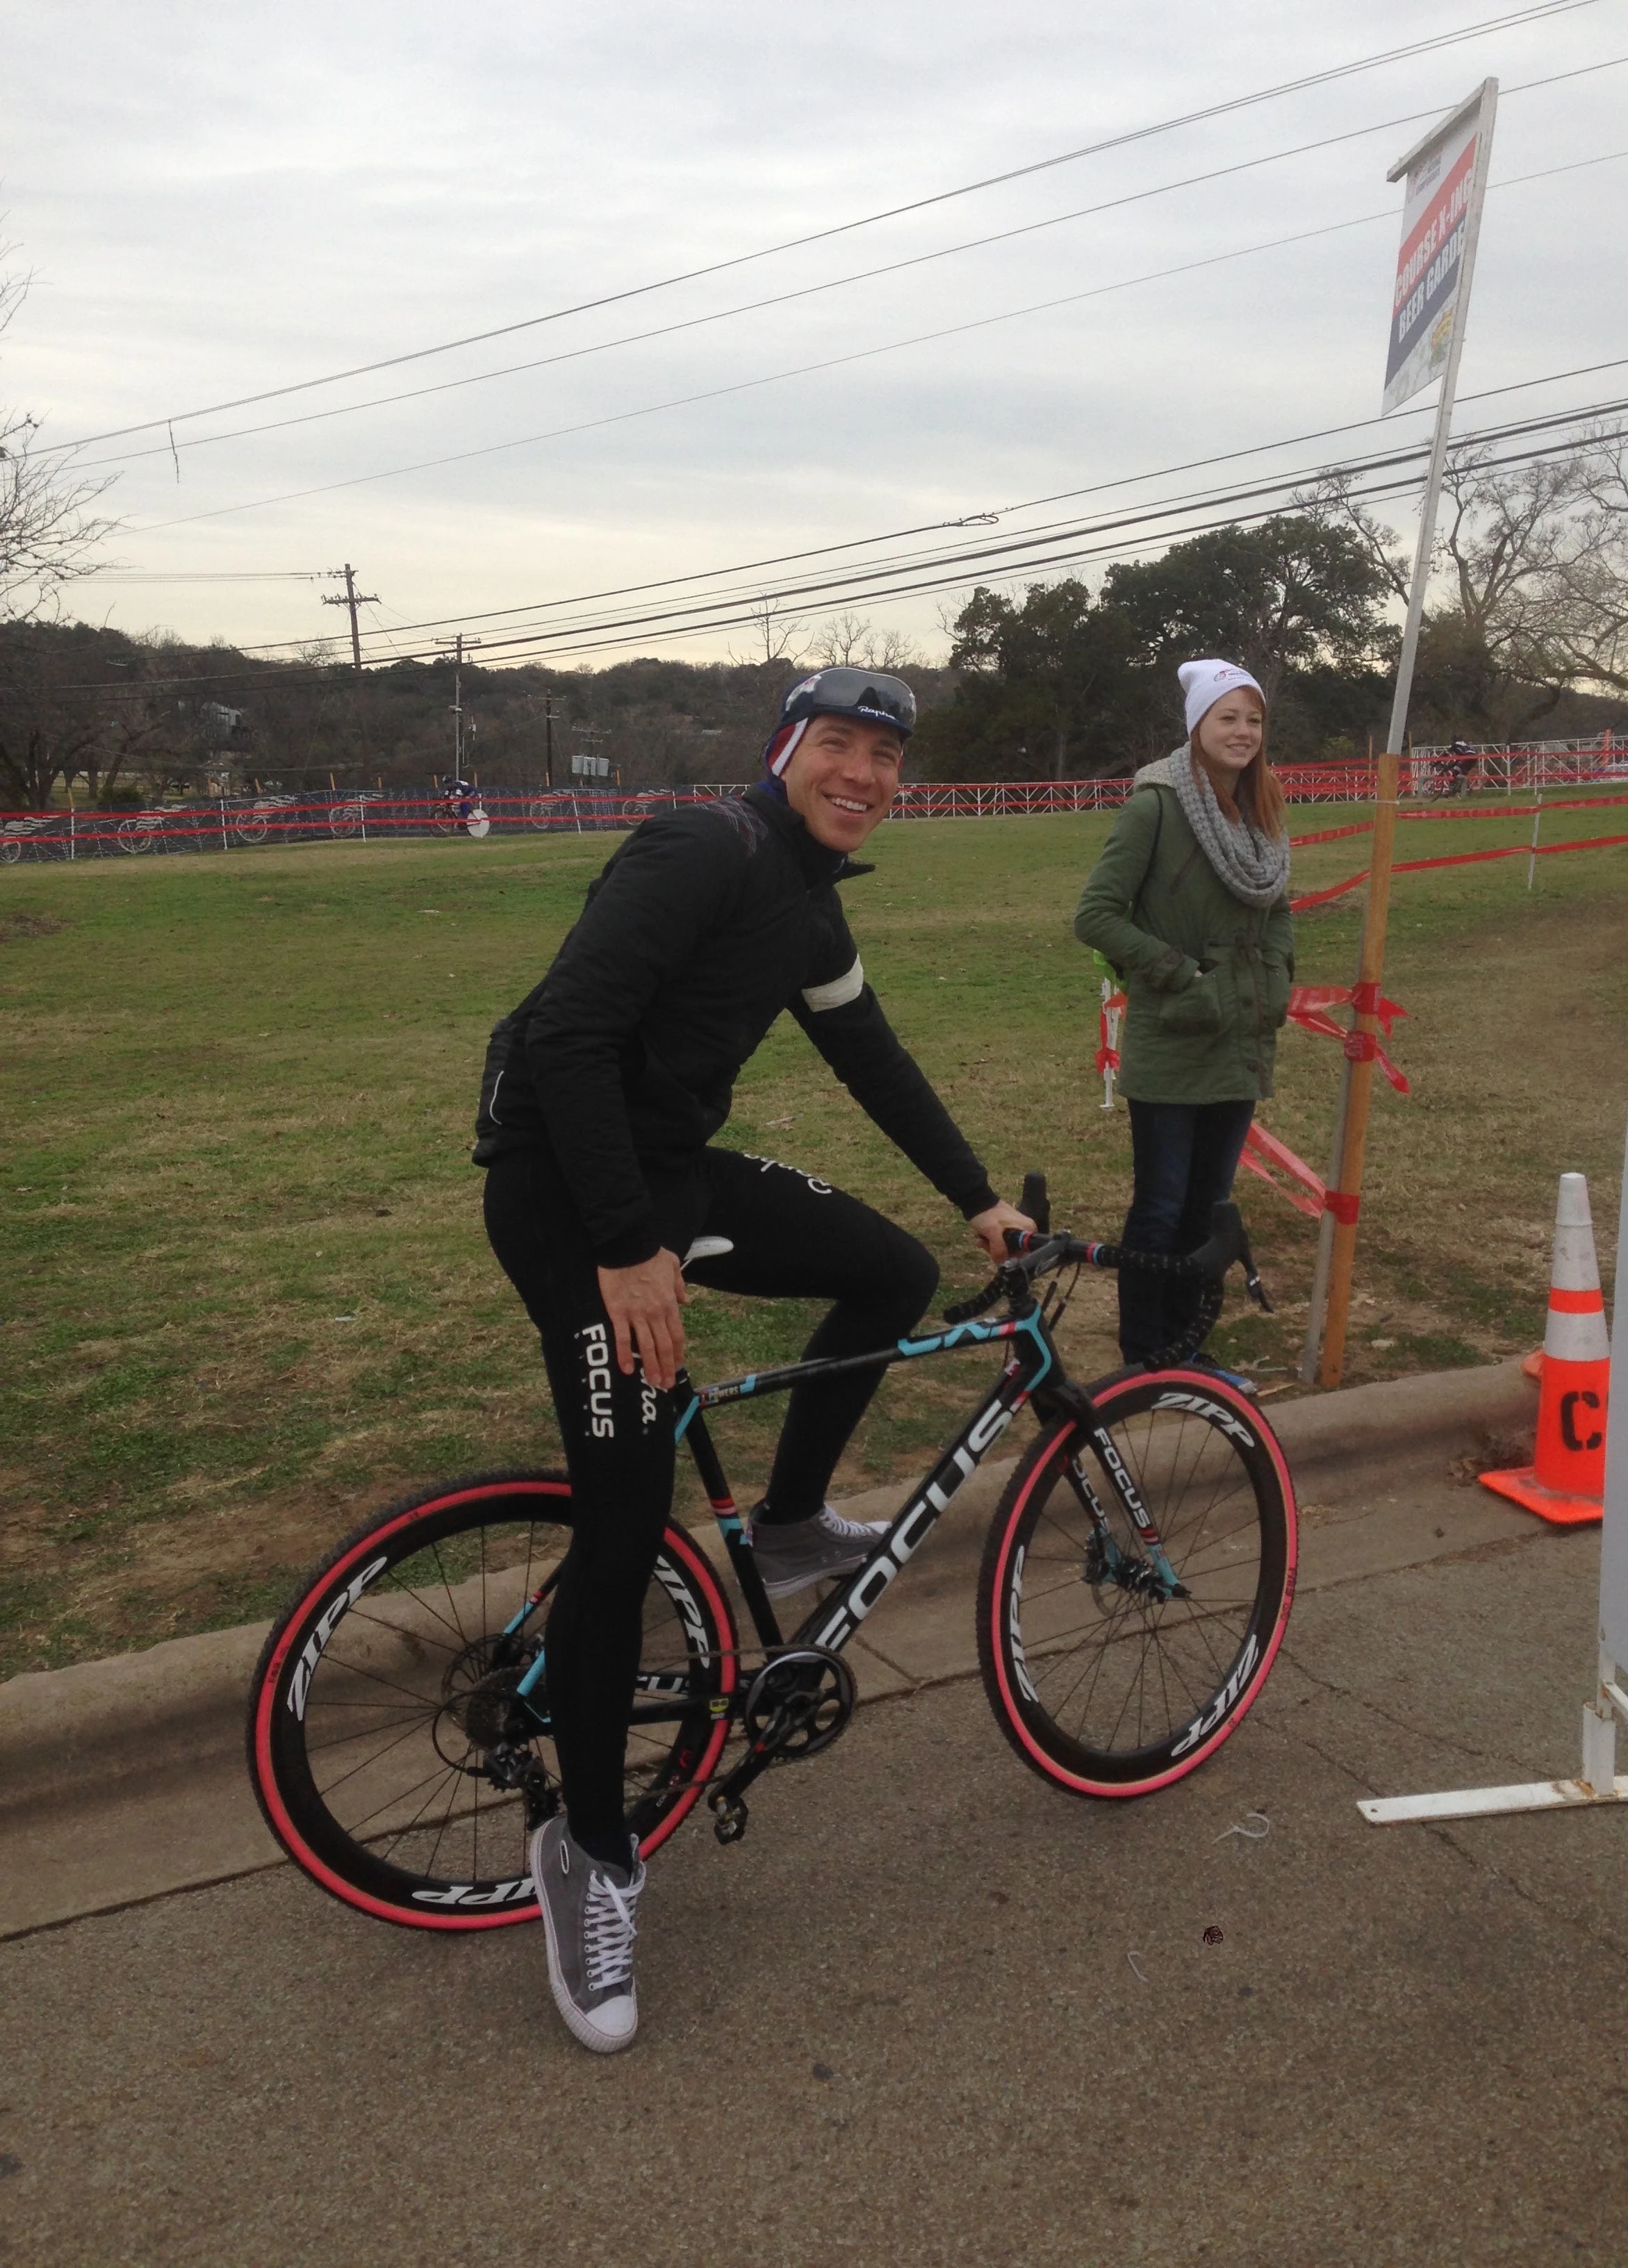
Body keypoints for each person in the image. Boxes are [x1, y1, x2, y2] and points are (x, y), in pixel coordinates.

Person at [473, 666, 1032, 2053]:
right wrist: (620, 1248)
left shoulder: (808, 905)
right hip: (568, 1197)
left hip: (661, 1178)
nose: (863, 773)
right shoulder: (697, 851)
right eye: (837, 745)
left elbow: (873, 1060)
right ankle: (589, 1858)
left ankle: (785, 1527)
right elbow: (565, 1040)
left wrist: (976, 1200)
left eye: (885, 756)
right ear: (787, 752)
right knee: (624, 1531)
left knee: (892, 1272)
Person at [1073, 658, 1292, 1371]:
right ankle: (1145, 1352)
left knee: (1209, 1209)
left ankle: (1188, 1349)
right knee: (1162, 1208)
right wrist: (1180, 974)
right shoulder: (1156, 806)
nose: (1243, 732)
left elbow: (1277, 907)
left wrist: (1280, 977)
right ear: (1198, 725)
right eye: (1228, 717)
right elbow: (1097, 915)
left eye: (1253, 719)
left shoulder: (1261, 811)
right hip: (1175, 1036)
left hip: (1241, 1039)